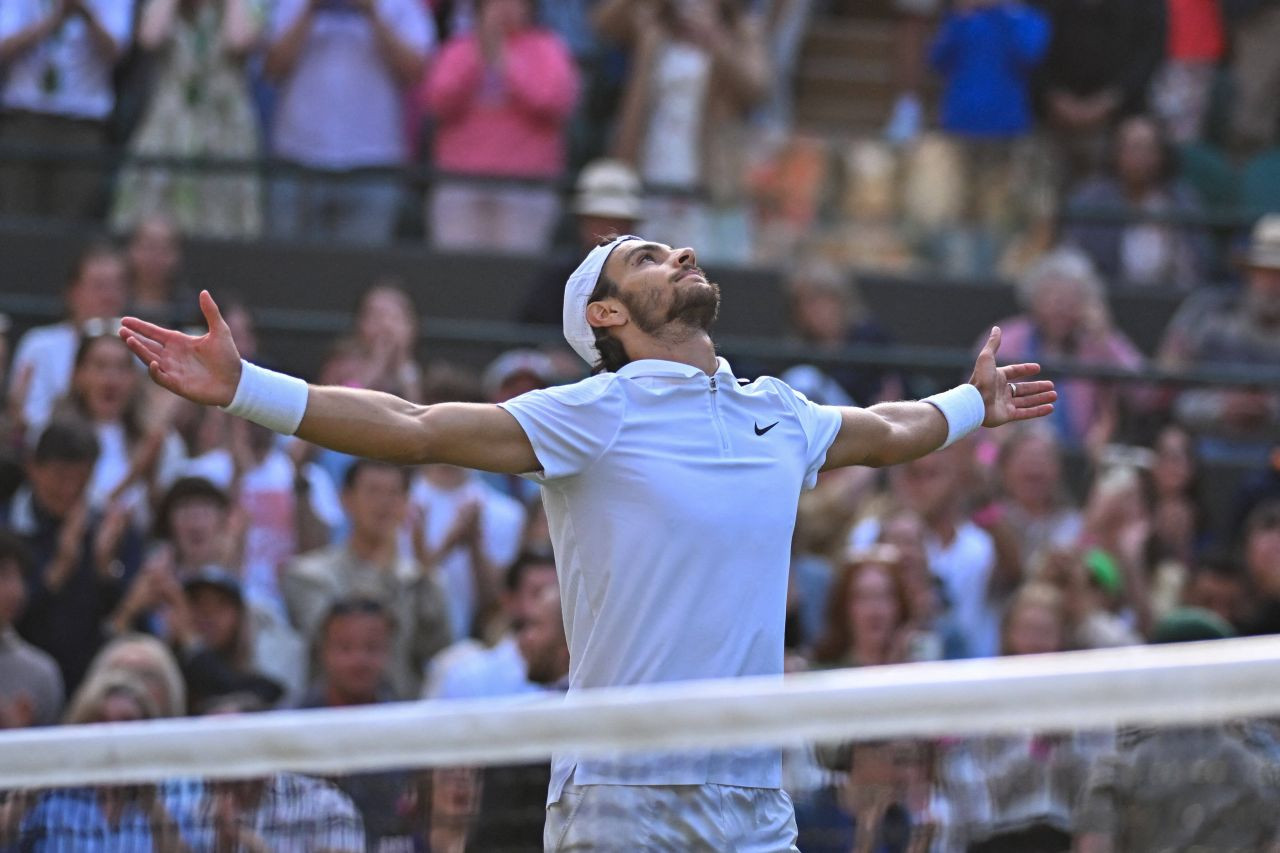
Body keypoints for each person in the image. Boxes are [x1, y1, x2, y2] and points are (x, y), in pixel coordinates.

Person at [119, 233, 1055, 849]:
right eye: (648, 258)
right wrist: (247, 388)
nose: (680, 253)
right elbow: (411, 424)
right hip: (622, 796)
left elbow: (891, 431)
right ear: (605, 314)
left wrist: (977, 402)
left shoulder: (781, 413)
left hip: (756, 803)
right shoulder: (592, 413)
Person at [264, 0, 434, 244]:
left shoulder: (401, 4)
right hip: (299, 159)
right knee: (290, 270)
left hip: (372, 163)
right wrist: (311, 9)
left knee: (362, 274)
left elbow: (416, 72)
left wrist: (372, 13)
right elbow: (271, 68)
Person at [283, 459, 451, 698]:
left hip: (402, 717)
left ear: (406, 503)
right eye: (373, 491)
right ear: (347, 499)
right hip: (332, 718)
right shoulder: (309, 575)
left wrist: (426, 576)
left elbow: (438, 650)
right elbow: (325, 635)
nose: (384, 503)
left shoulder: (418, 579)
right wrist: (382, 571)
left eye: (394, 493)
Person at [423, 0, 579, 253]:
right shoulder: (459, 49)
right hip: (461, 184)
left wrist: (504, 61)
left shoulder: (547, 48)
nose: (505, 7)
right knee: (455, 275)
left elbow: (552, 102)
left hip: (525, 188)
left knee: (517, 280)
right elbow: (437, 103)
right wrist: (478, 56)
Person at [6, 417, 143, 693]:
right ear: (33, 468)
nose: (69, 489)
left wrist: (106, 568)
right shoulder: (7, 526)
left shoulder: (114, 530)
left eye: (80, 479)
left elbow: (132, 621)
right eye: (59, 476)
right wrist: (58, 569)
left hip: (97, 685)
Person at [109, 0, 264, 239]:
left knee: (222, 223)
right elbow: (149, 38)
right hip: (168, 125)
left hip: (223, 128)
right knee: (152, 218)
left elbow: (238, 41)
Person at [1159, 213, 1280, 463]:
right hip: (1200, 452)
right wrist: (1219, 407)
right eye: (1265, 272)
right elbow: (1166, 386)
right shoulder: (1205, 312)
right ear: (1248, 272)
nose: (1273, 284)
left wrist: (1268, 409)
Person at [299, 597, 418, 848]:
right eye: (345, 648)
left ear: (388, 652)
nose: (359, 660)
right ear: (324, 651)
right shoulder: (291, 722)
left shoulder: (408, 727)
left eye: (372, 648)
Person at [0, 0, 133, 220]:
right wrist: (54, 20)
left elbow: (118, 54)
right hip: (24, 119)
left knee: (72, 219)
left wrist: (86, 15)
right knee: (16, 214)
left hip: (83, 124)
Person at [1063, 115, 1211, 288]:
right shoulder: (1091, 199)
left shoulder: (1181, 199)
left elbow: (1199, 266)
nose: (1140, 157)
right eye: (1132, 148)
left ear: (1162, 155)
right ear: (1115, 152)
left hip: (1168, 300)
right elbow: (1074, 260)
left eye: (1148, 149)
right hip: (1104, 300)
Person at [8, 240, 129, 433]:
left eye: (116, 287)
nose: (109, 296)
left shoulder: (139, 349)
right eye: (99, 286)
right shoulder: (39, 345)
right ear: (73, 292)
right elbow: (29, 421)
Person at [0, 531, 63, 728]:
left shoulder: (40, 673)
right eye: (3, 575)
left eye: (20, 577)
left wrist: (16, 735)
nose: (16, 590)